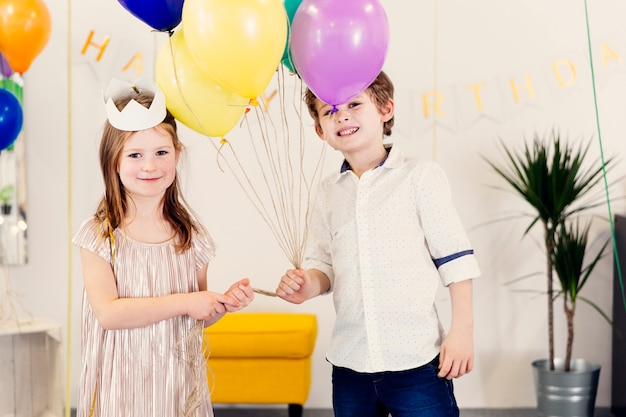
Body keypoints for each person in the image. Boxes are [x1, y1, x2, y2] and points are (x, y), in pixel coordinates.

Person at [276, 71, 481, 417]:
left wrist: (461, 331)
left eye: (355, 104)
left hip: (416, 362)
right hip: (350, 365)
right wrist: (308, 283)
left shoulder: (420, 177)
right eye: (329, 111)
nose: (342, 115)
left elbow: (455, 259)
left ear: (386, 109)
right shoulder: (328, 194)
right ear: (319, 131)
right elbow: (324, 266)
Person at [73, 79, 254, 417]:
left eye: (161, 152)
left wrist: (221, 303)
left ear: (177, 154)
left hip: (176, 387)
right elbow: (109, 314)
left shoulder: (191, 235)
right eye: (135, 155)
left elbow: (197, 316)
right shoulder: (99, 235)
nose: (150, 166)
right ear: (114, 161)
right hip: (123, 391)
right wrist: (187, 301)